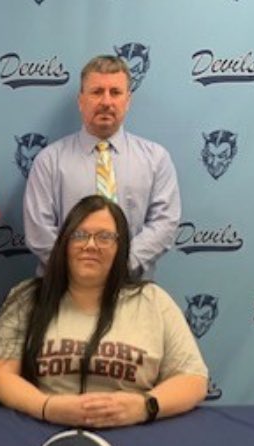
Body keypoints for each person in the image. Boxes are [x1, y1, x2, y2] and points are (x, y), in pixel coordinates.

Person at [0, 195, 206, 428]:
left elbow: (193, 379)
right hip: (45, 430)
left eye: (105, 237)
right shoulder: (26, 298)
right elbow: (1, 377)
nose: (90, 245)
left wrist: (145, 406)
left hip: (134, 433)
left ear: (120, 247)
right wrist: (48, 407)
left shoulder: (154, 302)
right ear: (64, 243)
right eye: (80, 235)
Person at [23, 55, 180, 280]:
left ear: (128, 100)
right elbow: (39, 232)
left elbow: (164, 223)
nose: (106, 101)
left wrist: (121, 265)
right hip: (65, 290)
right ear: (81, 100)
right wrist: (82, 271)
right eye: (97, 92)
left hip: (132, 288)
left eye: (115, 92)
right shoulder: (49, 160)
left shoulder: (156, 159)